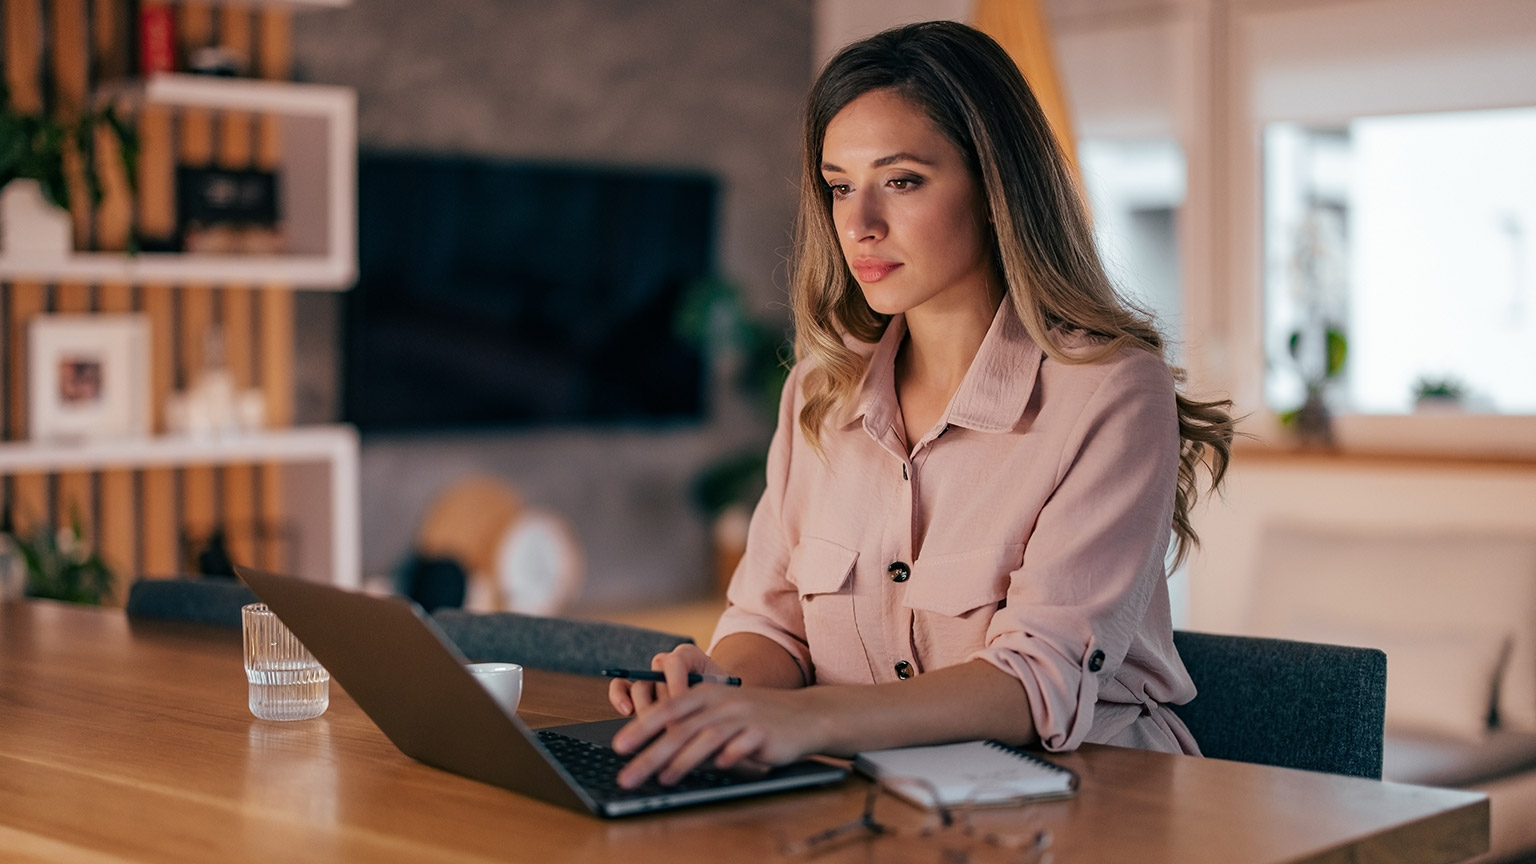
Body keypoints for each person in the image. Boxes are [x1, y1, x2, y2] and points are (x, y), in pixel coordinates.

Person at [608, 20, 1235, 790]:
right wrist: (714, 698)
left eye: (901, 180)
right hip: (863, 793)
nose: (859, 223)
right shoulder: (820, 390)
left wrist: (800, 722)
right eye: (840, 186)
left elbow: (1035, 677)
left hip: (1085, 798)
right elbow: (770, 627)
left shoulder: (1109, 391)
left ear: (994, 184)